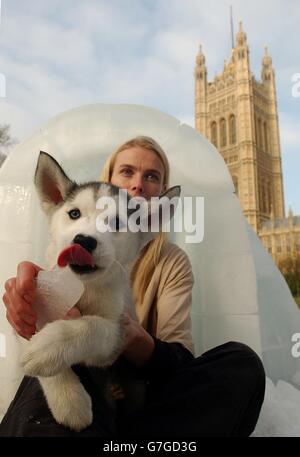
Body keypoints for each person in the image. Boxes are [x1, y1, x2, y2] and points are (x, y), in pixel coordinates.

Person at [0, 136, 266, 437]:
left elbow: (179, 360)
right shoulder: (64, 250)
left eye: (152, 176)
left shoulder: (171, 262)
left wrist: (127, 335)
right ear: (106, 182)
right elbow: (38, 339)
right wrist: (28, 314)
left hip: (143, 398)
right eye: (127, 172)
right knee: (53, 360)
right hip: (86, 399)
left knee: (242, 364)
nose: (138, 185)